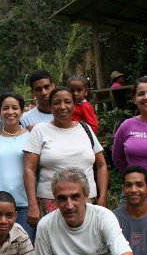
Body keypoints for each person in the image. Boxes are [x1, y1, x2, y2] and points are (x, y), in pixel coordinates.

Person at [23, 86, 108, 227]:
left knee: (87, 244)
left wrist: (102, 198)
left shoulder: (85, 129)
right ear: (50, 106)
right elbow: (29, 170)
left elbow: (101, 165)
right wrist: (32, 205)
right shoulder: (40, 130)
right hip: (52, 201)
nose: (62, 106)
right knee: (55, 244)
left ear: (74, 105)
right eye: (57, 103)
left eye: (67, 102)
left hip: (87, 200)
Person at [112, 76, 147, 209]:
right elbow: (117, 157)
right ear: (134, 99)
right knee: (122, 229)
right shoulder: (127, 126)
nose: (146, 97)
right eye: (141, 94)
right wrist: (133, 177)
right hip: (131, 193)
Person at [0, 93, 34, 241]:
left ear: (22, 111)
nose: (10, 112)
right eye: (5, 108)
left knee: (25, 254)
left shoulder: (32, 135)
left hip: (25, 205)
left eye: (15, 108)